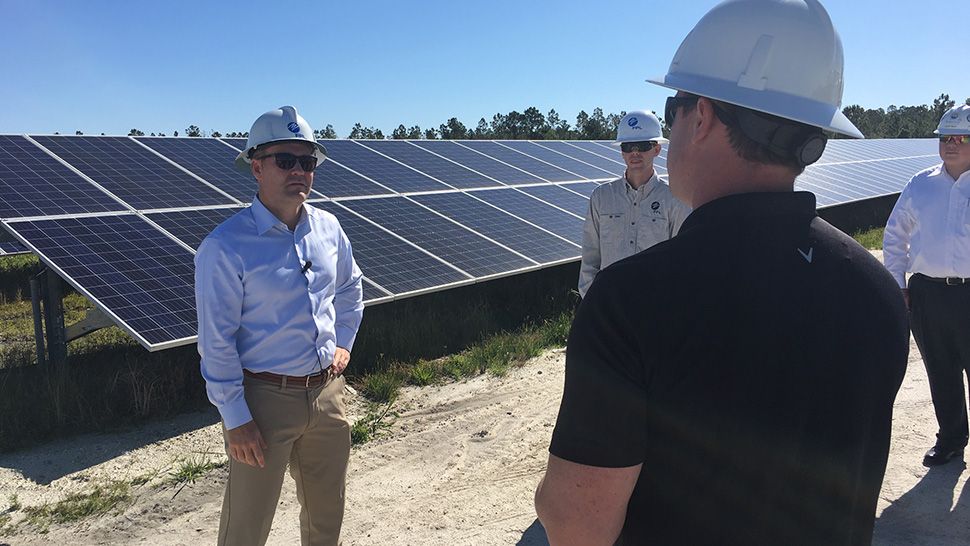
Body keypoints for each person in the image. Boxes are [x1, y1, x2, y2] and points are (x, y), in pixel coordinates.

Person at [535, 1, 909, 544]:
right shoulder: (876, 290)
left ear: (702, 116)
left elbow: (576, 525)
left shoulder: (630, 303)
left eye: (673, 109)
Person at [195, 106, 364, 546]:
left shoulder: (328, 228)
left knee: (326, 517)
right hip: (264, 402)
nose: (299, 172)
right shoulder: (226, 247)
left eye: (307, 162)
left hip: (327, 395)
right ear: (256, 166)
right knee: (246, 528)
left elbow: (350, 288)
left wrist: (342, 342)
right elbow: (217, 342)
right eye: (285, 161)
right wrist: (235, 418)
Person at [883, 103, 970, 467]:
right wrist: (897, 284)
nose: (950, 144)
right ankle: (951, 440)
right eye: (944, 137)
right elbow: (894, 235)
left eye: (960, 137)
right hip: (928, 294)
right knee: (941, 369)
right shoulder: (921, 184)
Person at [578, 110, 691, 297]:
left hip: (654, 308)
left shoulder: (674, 199)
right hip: (608, 308)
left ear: (656, 149)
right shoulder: (601, 197)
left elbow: (682, 260)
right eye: (628, 146)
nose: (635, 152)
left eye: (642, 145)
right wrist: (595, 304)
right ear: (622, 151)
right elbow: (590, 257)